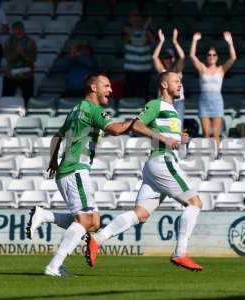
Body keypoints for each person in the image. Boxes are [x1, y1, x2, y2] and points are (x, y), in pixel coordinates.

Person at [26, 72, 178, 277]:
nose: (111, 90)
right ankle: (54, 266)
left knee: (94, 222)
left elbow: (57, 136)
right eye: (106, 86)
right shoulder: (93, 109)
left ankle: (44, 215)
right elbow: (115, 129)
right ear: (93, 88)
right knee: (86, 221)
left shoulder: (76, 109)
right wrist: (136, 122)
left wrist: (54, 161)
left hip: (69, 169)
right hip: (76, 169)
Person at [86, 71, 203, 272]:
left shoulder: (173, 110)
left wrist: (179, 138)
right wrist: (164, 139)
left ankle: (97, 239)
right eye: (176, 81)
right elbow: (138, 125)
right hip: (162, 161)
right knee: (194, 202)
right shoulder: (156, 104)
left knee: (140, 215)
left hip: (157, 166)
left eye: (181, 82)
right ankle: (180, 253)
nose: (180, 84)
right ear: (164, 85)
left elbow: (167, 135)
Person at [189, 31, 237, 145]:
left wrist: (230, 43)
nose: (211, 57)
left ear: (217, 57)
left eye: (214, 55)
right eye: (209, 55)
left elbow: (233, 58)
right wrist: (194, 40)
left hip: (216, 101)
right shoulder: (202, 69)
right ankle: (207, 157)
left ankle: (217, 157)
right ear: (206, 57)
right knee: (206, 134)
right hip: (204, 101)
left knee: (215, 134)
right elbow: (192, 56)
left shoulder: (221, 69)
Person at [152, 28, 185, 127]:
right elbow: (154, 57)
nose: (168, 60)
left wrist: (175, 42)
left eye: (170, 57)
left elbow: (182, 57)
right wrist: (161, 41)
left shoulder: (177, 70)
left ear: (174, 58)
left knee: (177, 128)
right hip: (163, 102)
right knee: (163, 127)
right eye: (166, 58)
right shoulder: (162, 71)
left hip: (177, 102)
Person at [2, 21, 37, 106]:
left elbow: (33, 59)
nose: (18, 31)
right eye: (16, 30)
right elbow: (8, 58)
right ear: (13, 31)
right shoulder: (8, 42)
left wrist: (22, 53)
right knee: (6, 98)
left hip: (26, 75)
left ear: (24, 30)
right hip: (11, 75)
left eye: (20, 29)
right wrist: (16, 52)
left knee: (28, 99)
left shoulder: (31, 42)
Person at [122, 10, 154, 99]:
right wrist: (133, 30)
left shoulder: (149, 31)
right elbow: (125, 41)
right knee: (129, 96)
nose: (135, 18)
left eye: (137, 16)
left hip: (145, 70)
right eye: (133, 16)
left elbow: (152, 42)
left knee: (143, 96)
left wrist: (146, 29)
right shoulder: (125, 30)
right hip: (130, 69)